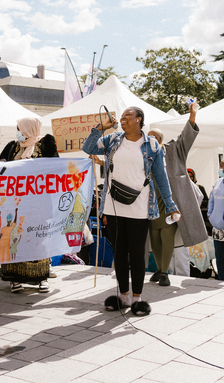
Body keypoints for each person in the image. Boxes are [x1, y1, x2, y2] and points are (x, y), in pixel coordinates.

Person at [83, 107, 180, 316]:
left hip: (140, 205)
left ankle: (138, 298)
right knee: (119, 251)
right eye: (123, 116)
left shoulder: (152, 146)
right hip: (113, 204)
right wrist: (101, 128)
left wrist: (171, 206)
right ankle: (123, 295)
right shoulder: (113, 140)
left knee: (136, 253)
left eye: (128, 116)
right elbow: (88, 147)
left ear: (139, 120)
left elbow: (161, 179)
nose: (123, 119)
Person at [146, 100, 207, 287]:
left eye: (153, 138)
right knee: (154, 239)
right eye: (147, 138)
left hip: (171, 206)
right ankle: (159, 268)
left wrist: (192, 115)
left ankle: (164, 272)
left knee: (166, 237)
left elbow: (186, 136)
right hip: (151, 205)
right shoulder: (143, 157)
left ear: (160, 140)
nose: (149, 141)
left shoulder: (173, 150)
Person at [0, 117, 58, 293]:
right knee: (14, 238)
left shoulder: (46, 143)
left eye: (20, 128)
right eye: (17, 128)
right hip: (15, 203)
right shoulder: (12, 146)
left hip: (38, 203)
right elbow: (1, 166)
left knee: (37, 239)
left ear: (29, 128)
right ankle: (14, 278)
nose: (18, 132)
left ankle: (41, 278)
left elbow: (54, 166)